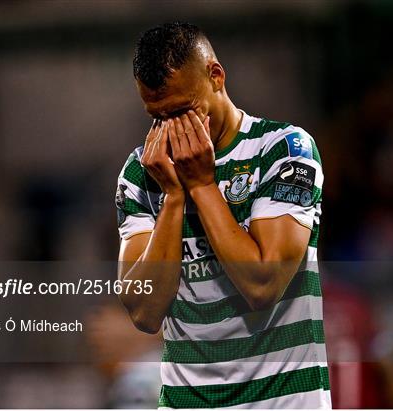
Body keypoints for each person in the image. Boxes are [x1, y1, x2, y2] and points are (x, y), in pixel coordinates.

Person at [115, 22, 330, 408]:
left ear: (216, 76)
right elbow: (145, 312)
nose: (173, 129)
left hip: (283, 402)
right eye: (157, 116)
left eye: (182, 111)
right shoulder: (143, 173)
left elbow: (263, 285)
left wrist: (202, 186)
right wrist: (174, 199)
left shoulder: (283, 150)